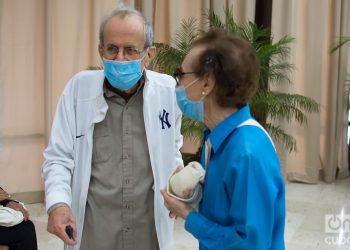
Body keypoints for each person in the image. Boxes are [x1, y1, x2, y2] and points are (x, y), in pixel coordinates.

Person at [41, 5, 183, 250]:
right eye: (111, 49)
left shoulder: (168, 91)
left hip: (148, 233)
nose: (119, 58)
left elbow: (172, 150)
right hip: (95, 233)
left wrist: (179, 186)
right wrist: (58, 204)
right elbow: (58, 158)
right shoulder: (78, 90)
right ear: (100, 50)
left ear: (149, 54)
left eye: (130, 51)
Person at [161, 29, 286, 249]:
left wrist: (188, 216)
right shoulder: (216, 137)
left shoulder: (247, 153)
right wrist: (194, 191)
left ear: (207, 84)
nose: (177, 85)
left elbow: (249, 244)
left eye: (180, 75)